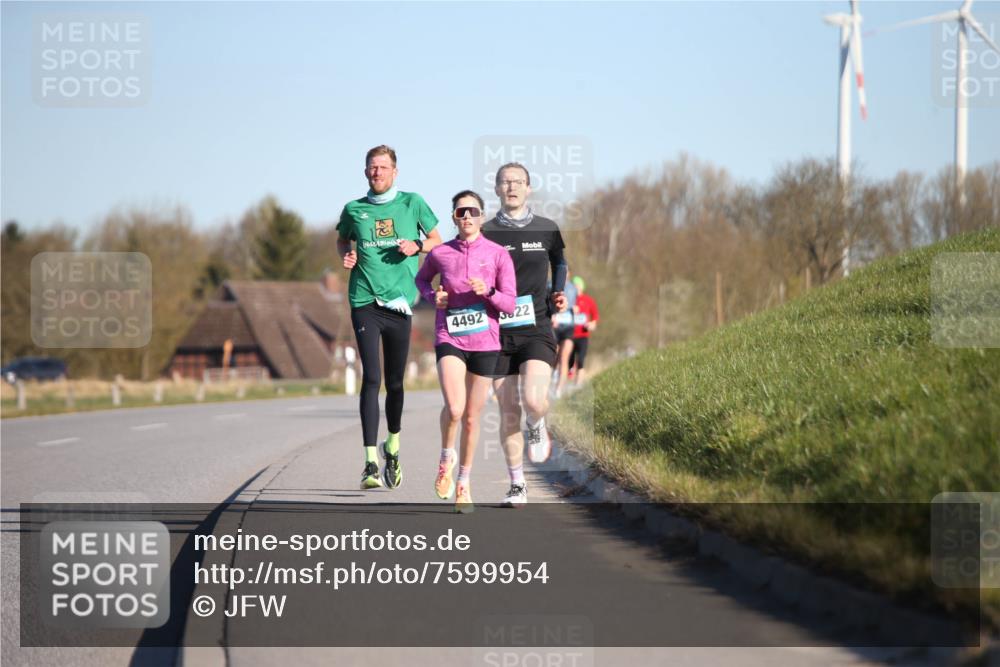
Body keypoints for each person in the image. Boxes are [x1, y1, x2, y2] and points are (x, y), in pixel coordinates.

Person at [336, 145, 442, 490]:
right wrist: (347, 255)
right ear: (365, 172)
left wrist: (417, 245)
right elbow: (342, 240)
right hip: (364, 300)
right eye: (371, 168)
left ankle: (392, 446)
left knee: (395, 383)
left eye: (382, 167)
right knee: (372, 377)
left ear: (395, 171)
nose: (376, 173)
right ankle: (368, 462)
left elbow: (437, 241)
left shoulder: (413, 203)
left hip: (399, 304)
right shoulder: (355, 209)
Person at [415, 190, 516, 513]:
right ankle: (446, 458)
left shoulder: (498, 254)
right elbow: (421, 282)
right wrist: (433, 298)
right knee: (455, 409)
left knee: (472, 419)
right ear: (455, 218)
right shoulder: (442, 253)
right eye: (460, 212)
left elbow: (510, 304)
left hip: (486, 342)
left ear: (482, 216)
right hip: (450, 337)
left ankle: (464, 483)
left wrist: (488, 292)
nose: (467, 217)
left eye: (472, 211)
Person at [482, 162, 569, 507]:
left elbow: (560, 262)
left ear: (529, 188)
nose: (512, 187)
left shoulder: (547, 228)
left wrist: (558, 291)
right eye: (505, 182)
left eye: (518, 182)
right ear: (497, 189)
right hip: (497, 332)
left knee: (533, 400)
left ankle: (538, 422)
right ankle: (517, 484)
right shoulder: (485, 232)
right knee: (507, 411)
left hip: (536, 326)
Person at [551, 270, 578, 399]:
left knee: (564, 357)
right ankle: (550, 376)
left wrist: (577, 310)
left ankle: (559, 389)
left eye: (566, 271)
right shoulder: (550, 285)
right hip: (554, 327)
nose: (564, 273)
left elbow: (577, 306)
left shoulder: (573, 288)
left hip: (568, 327)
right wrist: (551, 316)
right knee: (553, 356)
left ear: (569, 274)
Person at [568, 275, 599, 386]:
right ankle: (567, 385)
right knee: (569, 362)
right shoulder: (569, 300)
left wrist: (591, 324)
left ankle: (578, 385)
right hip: (570, 335)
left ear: (581, 287)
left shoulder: (588, 300)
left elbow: (595, 317)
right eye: (573, 285)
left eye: (577, 285)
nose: (575, 288)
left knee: (580, 360)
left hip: (583, 336)